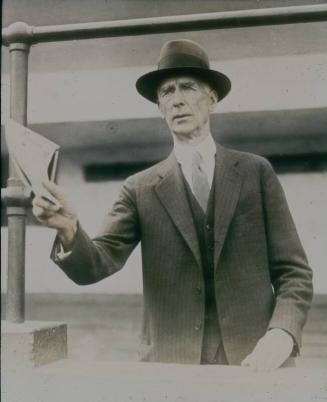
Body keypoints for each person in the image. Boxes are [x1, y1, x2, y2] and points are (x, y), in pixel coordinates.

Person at [32, 39, 313, 371]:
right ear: (160, 108)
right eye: (166, 92)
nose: (177, 100)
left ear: (212, 99)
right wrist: (69, 229)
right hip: (171, 366)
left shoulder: (255, 172)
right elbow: (96, 264)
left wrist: (281, 333)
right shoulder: (140, 188)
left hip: (257, 362)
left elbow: (294, 273)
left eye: (188, 87)